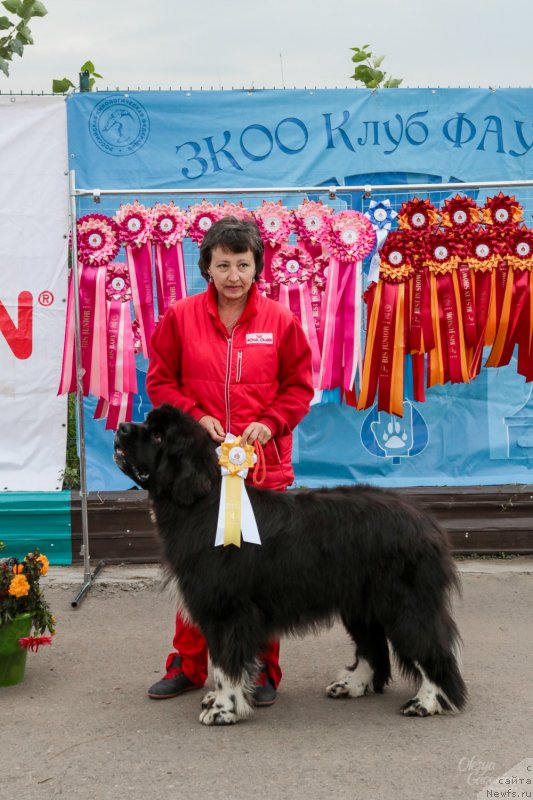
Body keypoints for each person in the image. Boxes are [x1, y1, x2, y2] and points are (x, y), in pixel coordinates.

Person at [145, 215, 314, 706]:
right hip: (195, 473)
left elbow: (300, 387)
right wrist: (195, 416)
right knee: (196, 567)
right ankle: (189, 665)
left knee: (263, 574)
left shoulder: (281, 320)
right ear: (207, 268)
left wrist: (273, 421)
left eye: (243, 264)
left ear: (257, 266)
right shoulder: (180, 317)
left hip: (261, 467)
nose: (234, 275)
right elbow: (160, 382)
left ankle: (261, 671)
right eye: (223, 265)